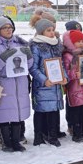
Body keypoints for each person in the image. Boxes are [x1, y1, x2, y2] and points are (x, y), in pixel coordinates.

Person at [0, 16, 33, 152]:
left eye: (10, 27)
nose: (8, 30)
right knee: (4, 114)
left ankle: (16, 141)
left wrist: (28, 56)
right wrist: (3, 58)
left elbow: (28, 65)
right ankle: (6, 142)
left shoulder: (19, 43)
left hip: (19, 83)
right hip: (3, 83)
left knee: (17, 112)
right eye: (4, 28)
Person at [29, 15, 68, 147]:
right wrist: (44, 80)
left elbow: (60, 64)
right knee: (40, 111)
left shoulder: (56, 45)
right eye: (48, 30)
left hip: (55, 85)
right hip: (43, 86)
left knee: (53, 111)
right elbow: (33, 68)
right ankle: (38, 136)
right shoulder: (36, 46)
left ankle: (52, 135)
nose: (52, 33)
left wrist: (64, 77)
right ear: (41, 32)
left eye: (52, 30)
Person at [64, 21, 83, 136]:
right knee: (71, 103)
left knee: (82, 104)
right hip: (71, 82)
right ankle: (71, 124)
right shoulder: (66, 50)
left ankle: (80, 124)